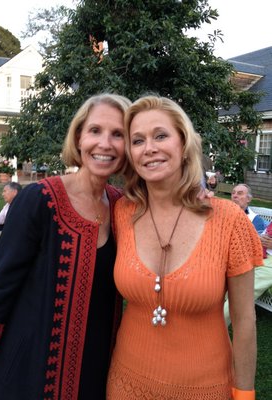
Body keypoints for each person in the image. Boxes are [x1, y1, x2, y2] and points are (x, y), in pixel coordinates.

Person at [0, 92, 131, 400]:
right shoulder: (39, 199)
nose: (105, 143)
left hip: (94, 370)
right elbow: (1, 285)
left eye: (118, 134)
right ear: (79, 137)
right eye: (95, 130)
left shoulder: (121, 206)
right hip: (26, 371)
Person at [106, 95, 262, 400]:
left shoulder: (229, 220)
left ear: (183, 144)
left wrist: (245, 394)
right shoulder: (122, 212)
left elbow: (244, 322)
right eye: (137, 140)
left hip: (205, 388)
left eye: (161, 136)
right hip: (126, 383)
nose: (149, 148)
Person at [223, 183, 272, 325]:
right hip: (262, 257)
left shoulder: (253, 219)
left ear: (248, 198)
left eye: (240, 193)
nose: (235, 196)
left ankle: (214, 329)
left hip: (260, 260)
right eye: (233, 193)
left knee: (243, 292)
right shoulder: (224, 213)